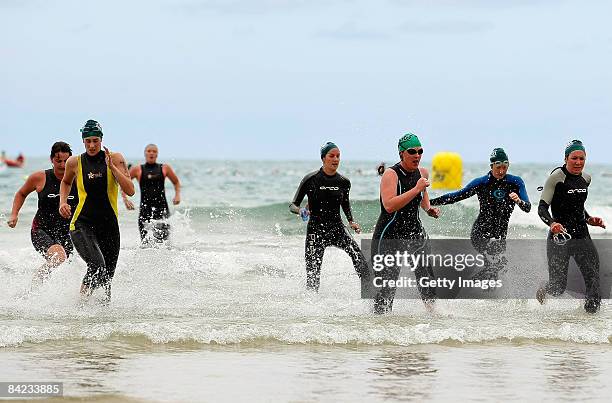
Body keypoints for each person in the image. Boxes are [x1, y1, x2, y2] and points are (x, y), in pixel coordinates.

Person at [59, 119, 135, 303]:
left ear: (101, 139)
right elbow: (66, 182)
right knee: (97, 266)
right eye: (88, 141)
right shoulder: (74, 162)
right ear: (83, 141)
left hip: (109, 226)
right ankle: (80, 305)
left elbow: (130, 190)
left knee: (107, 280)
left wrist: (112, 167)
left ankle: (101, 321)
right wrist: (63, 202)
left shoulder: (115, 158)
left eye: (95, 140)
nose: (92, 145)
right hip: (81, 224)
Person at [430, 148, 531, 279]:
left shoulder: (515, 182)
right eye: (498, 167)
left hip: (500, 234)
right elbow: (456, 196)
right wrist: (428, 202)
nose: (501, 171)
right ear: (491, 166)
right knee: (493, 265)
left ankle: (483, 292)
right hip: (480, 233)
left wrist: (519, 201)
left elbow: (527, 207)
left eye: (505, 167)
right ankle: (471, 284)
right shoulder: (482, 183)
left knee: (497, 269)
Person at [372, 133, 440, 314]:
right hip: (389, 236)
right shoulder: (390, 174)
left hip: (415, 233)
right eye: (412, 151)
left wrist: (428, 209)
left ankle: (434, 320)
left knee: (427, 279)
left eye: (420, 151)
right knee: (386, 289)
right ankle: (379, 329)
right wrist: (416, 188)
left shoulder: (422, 173)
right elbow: (389, 205)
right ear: (402, 153)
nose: (417, 155)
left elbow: (423, 198)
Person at [536, 140, 605, 314]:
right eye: (574, 158)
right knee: (558, 287)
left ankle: (591, 323)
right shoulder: (556, 177)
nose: (578, 162)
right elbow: (542, 207)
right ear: (566, 158)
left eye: (582, 158)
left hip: (582, 235)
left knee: (593, 279)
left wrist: (589, 219)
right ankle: (544, 289)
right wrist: (552, 223)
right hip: (560, 238)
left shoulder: (586, 179)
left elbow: (577, 204)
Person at [289, 142, 369, 291]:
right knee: (313, 276)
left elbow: (345, 204)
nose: (336, 159)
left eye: (338, 156)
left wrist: (351, 221)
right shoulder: (310, 179)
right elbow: (292, 205)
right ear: (323, 158)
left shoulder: (344, 182)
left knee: (359, 258)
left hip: (337, 228)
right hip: (315, 231)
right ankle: (312, 309)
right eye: (331, 156)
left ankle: (371, 295)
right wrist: (300, 211)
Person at [7, 142, 79, 284]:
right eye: (58, 161)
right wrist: (14, 214)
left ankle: (44, 295)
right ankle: (34, 286)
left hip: (67, 233)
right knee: (58, 258)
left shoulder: (78, 180)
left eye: (66, 161)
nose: (63, 165)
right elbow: (21, 193)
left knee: (64, 265)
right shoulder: (40, 177)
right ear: (51, 159)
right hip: (41, 230)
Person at [122, 144, 181, 243]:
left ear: (157, 154)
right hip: (145, 212)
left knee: (165, 244)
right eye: (149, 151)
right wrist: (125, 200)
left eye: (154, 151)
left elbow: (176, 182)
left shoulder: (165, 168)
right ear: (145, 153)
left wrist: (177, 195)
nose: (151, 153)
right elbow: (124, 184)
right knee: (145, 244)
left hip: (162, 210)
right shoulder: (137, 169)